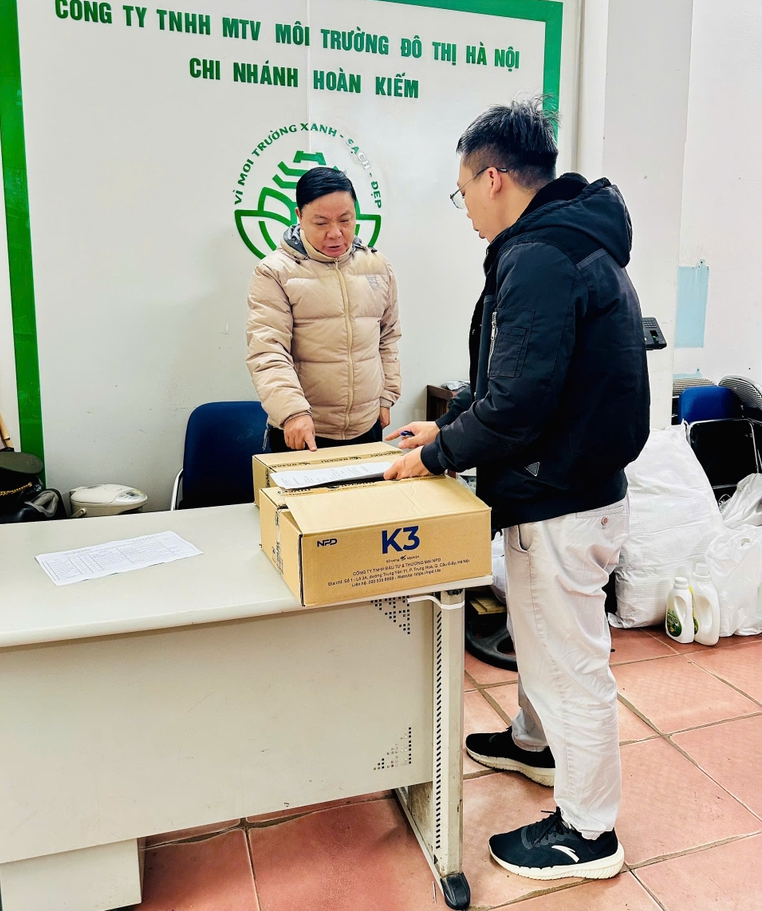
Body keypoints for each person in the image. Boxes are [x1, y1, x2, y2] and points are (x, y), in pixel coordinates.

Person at [386, 100, 649, 880]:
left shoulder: (537, 256)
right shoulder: (572, 238)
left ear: (494, 178)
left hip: (558, 499)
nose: (465, 204)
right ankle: (536, 746)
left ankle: (588, 833)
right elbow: (517, 377)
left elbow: (519, 403)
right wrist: (446, 424)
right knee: (543, 641)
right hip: (578, 485)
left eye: (462, 188)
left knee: (568, 663)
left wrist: (437, 457)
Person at [246, 166, 401, 452]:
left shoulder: (376, 266)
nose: (335, 233)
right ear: (299, 216)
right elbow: (268, 351)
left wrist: (386, 397)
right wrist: (292, 412)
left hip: (366, 426)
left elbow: (388, 337)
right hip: (303, 430)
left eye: (345, 220)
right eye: (321, 223)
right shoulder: (275, 272)